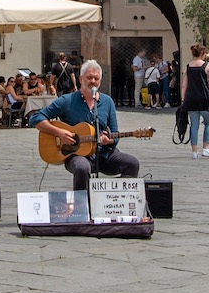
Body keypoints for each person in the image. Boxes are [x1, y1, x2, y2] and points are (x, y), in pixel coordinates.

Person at [30, 59, 141, 196]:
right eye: (89, 77)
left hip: (103, 154)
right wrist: (59, 133)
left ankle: (113, 199)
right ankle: (80, 206)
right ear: (81, 79)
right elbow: (36, 118)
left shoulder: (107, 102)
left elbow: (115, 132)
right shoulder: (67, 100)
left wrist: (110, 140)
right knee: (82, 167)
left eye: (96, 78)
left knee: (132, 163)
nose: (93, 81)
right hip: (76, 154)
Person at [182, 44, 209, 160]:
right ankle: (206, 148)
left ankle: (194, 151)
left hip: (191, 98)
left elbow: (184, 85)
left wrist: (183, 99)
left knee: (194, 125)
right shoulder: (207, 67)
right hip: (204, 98)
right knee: (208, 123)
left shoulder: (187, 67)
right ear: (203, 54)